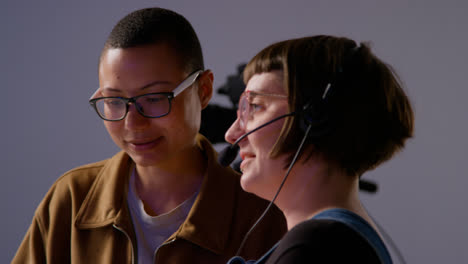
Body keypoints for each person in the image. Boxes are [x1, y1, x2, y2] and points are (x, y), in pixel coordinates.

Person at [12, 7, 286, 264]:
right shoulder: (72, 198)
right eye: (114, 100)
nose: (133, 123)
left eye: (155, 98)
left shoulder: (261, 213)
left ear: (203, 90)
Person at [224, 35, 414, 263]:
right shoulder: (331, 242)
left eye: (255, 106)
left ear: (315, 118)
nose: (232, 135)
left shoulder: (317, 246)